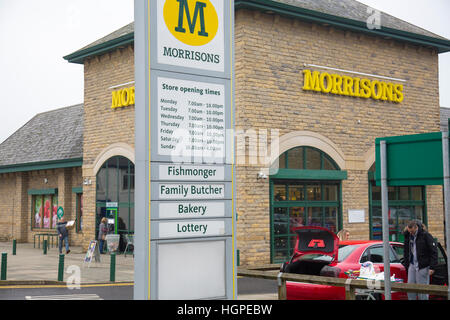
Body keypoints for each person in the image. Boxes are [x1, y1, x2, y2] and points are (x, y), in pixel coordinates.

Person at [402, 220, 438, 300]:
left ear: (416, 228)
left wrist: (432, 267)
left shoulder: (426, 236)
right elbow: (406, 251)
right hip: (412, 264)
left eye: (412, 232)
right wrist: (406, 264)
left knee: (422, 289)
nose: (411, 233)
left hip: (422, 266)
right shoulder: (408, 236)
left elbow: (434, 251)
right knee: (410, 287)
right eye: (409, 231)